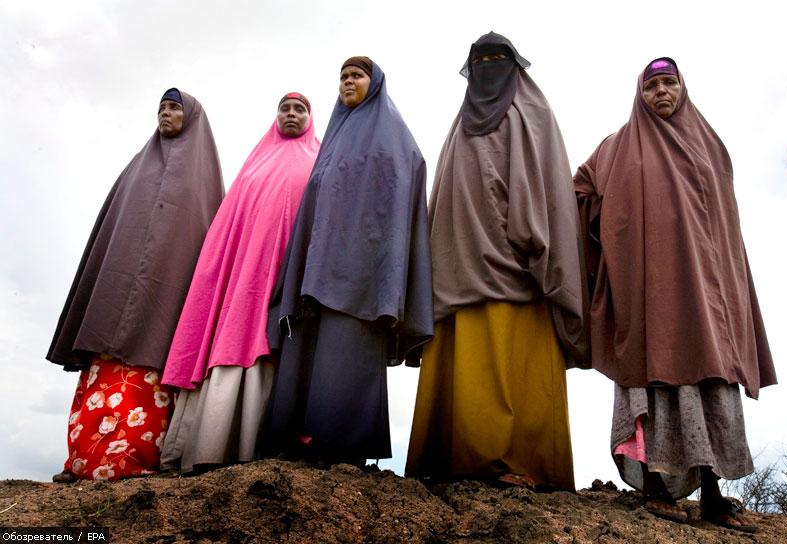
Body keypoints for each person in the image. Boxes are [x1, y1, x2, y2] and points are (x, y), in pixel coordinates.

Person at [573, 57, 776, 531]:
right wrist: (612, 227)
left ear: (682, 88)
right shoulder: (616, 148)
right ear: (639, 93)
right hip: (645, 290)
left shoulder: (710, 147)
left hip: (705, 294)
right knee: (651, 380)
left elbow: (724, 225)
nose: (661, 92)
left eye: (669, 83)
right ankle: (656, 488)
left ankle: (713, 495)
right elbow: (578, 192)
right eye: (652, 86)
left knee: (709, 378)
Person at [405, 32, 586, 491]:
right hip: (460, 268)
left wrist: (534, 245)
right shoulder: (460, 126)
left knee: (516, 364)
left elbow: (548, 190)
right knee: (468, 363)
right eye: (480, 61)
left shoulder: (535, 116)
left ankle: (524, 460)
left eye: (498, 59)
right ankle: (456, 456)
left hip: (523, 270)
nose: (488, 68)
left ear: (515, 66)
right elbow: (445, 197)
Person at [261, 57, 433, 465]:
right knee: (308, 348)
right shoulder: (335, 137)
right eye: (342, 77)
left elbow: (398, 199)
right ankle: (300, 438)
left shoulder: (394, 137)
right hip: (319, 266)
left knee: (347, 350)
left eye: (357, 76)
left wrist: (376, 267)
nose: (348, 82)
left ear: (375, 84)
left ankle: (342, 445)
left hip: (363, 276)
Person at [47, 88, 224, 482]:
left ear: (192, 118)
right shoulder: (136, 171)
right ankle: (82, 461)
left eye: (174, 108)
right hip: (117, 295)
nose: (166, 113)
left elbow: (206, 244)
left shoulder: (205, 184)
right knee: (105, 371)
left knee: (149, 375)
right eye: (162, 107)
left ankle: (135, 461)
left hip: (167, 301)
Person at [160, 92, 320, 473]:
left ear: (310, 118)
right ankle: (213, 444)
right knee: (238, 337)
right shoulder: (254, 166)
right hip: (244, 279)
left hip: (290, 280)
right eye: (284, 109)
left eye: (299, 109)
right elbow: (229, 226)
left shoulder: (319, 162)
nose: (291, 114)